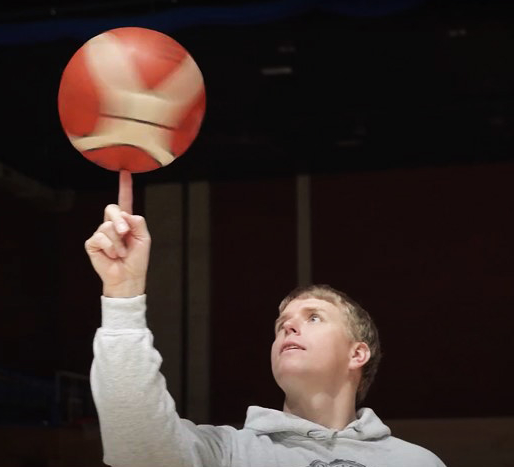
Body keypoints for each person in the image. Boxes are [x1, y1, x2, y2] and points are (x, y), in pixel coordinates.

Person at [85, 173, 445, 467]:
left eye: (314, 317)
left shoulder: (417, 463)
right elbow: (137, 444)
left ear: (357, 354)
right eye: (281, 324)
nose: (288, 326)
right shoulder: (228, 453)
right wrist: (123, 292)